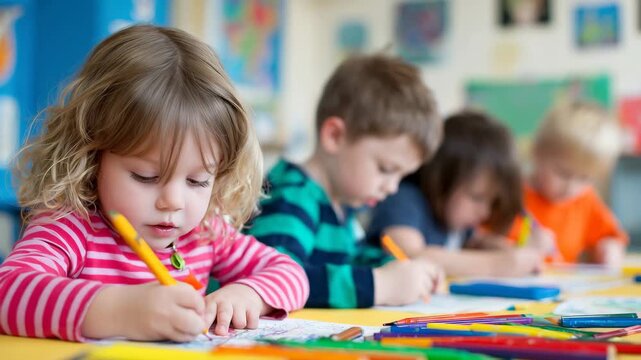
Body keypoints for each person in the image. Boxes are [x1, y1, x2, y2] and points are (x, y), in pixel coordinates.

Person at [0, 25, 308, 342]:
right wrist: (120, 311)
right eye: (146, 176)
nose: (172, 201)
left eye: (197, 180)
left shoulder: (206, 233)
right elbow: (8, 292)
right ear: (92, 156)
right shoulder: (71, 226)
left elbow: (293, 274)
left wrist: (248, 294)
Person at [246, 54, 443, 308]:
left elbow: (352, 258)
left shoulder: (341, 203)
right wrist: (379, 285)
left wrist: (400, 268)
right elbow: (274, 280)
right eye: (386, 169)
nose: (392, 187)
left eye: (401, 176)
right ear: (335, 136)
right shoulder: (292, 197)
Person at [367, 110, 549, 277]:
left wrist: (507, 250)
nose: (485, 211)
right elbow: (409, 255)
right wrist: (498, 264)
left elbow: (476, 242)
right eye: (476, 197)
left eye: (491, 202)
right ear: (441, 178)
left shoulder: (456, 220)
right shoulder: (403, 199)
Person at [508, 100, 627, 267]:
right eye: (563, 173)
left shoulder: (586, 200)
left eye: (585, 178)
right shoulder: (511, 195)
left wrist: (610, 249)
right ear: (537, 153)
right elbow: (482, 244)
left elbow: (611, 237)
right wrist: (521, 249)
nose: (571, 188)